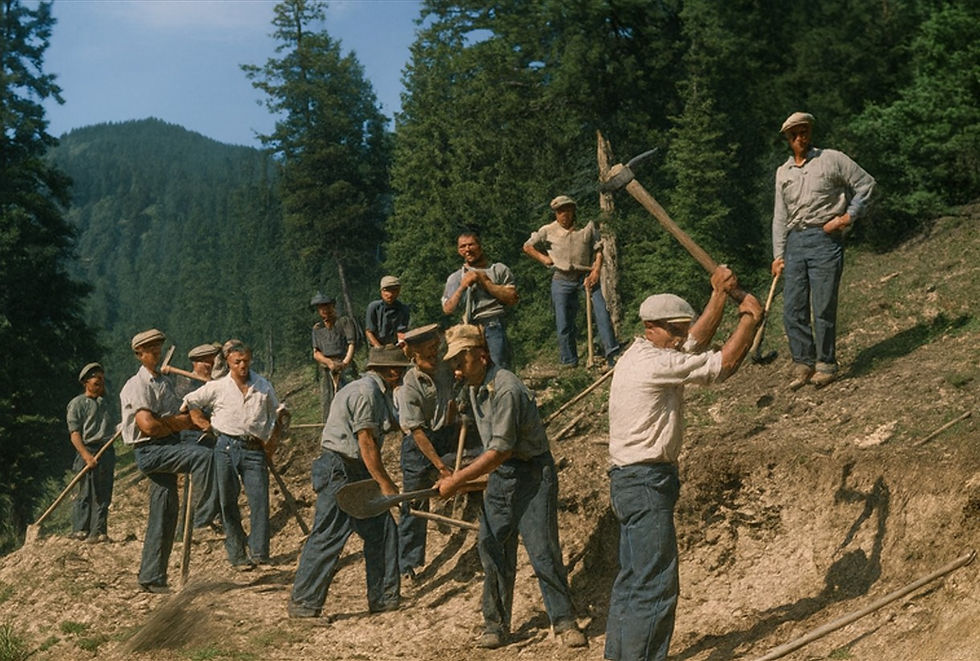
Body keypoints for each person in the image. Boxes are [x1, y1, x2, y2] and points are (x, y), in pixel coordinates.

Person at [604, 267, 761, 661]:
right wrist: (750, 318)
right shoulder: (655, 364)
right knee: (655, 584)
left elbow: (694, 340)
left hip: (629, 481)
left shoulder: (642, 353)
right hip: (645, 482)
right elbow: (722, 365)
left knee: (632, 581)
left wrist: (719, 295)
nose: (681, 340)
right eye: (674, 332)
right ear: (652, 328)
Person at [436, 324, 587, 650]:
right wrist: (459, 477)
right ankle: (496, 625)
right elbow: (493, 452)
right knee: (491, 546)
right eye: (454, 365)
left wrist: (457, 480)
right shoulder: (475, 387)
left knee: (543, 550)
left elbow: (501, 449)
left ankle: (564, 621)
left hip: (532, 474)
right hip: (503, 476)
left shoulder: (506, 389)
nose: (456, 370)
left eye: (461, 363)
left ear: (482, 355)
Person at [288, 345, 412, 619]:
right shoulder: (366, 393)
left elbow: (391, 426)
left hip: (355, 470)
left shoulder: (375, 392)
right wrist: (386, 484)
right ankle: (304, 607)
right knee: (328, 536)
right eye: (402, 370)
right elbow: (366, 443)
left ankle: (384, 599)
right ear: (391, 371)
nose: (403, 376)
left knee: (382, 531)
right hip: (341, 470)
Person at [771, 111, 876, 389]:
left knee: (823, 305)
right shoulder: (784, 172)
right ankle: (803, 362)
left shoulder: (831, 159)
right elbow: (780, 216)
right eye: (793, 134)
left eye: (804, 131)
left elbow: (866, 184)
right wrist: (778, 255)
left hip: (825, 239)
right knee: (792, 308)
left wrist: (845, 218)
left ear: (810, 133)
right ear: (787, 139)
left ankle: (826, 364)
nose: (799, 138)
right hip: (795, 241)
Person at [119, 329, 215, 593]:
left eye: (159, 350)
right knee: (203, 457)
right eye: (151, 351)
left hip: (168, 445)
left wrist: (190, 419)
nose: (157, 355)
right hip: (150, 451)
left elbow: (179, 415)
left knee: (164, 513)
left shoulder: (163, 382)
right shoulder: (136, 386)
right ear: (139, 354)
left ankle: (152, 577)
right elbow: (148, 427)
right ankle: (204, 518)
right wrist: (178, 423)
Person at [183, 342, 281, 570]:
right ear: (228, 362)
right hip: (225, 447)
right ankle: (237, 554)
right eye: (237, 362)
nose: (242, 366)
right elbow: (191, 401)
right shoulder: (218, 387)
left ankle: (259, 552)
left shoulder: (263, 386)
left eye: (246, 360)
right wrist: (201, 421)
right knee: (228, 501)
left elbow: (277, 414)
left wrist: (272, 441)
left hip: (254, 449)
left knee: (259, 500)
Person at [395, 323, 470, 581]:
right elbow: (417, 433)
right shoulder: (410, 385)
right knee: (414, 503)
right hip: (418, 445)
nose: (433, 354)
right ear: (414, 353)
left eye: (435, 348)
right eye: (427, 351)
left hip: (446, 436)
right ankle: (407, 563)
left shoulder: (445, 371)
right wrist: (440, 467)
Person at [524, 195, 620, 368]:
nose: (564, 215)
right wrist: (543, 258)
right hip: (562, 278)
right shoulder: (548, 230)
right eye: (560, 211)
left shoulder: (587, 226)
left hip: (586, 275)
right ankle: (569, 361)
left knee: (601, 312)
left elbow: (598, 250)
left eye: (567, 210)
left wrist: (596, 271)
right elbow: (527, 246)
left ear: (573, 210)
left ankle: (612, 353)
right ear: (555, 213)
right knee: (563, 322)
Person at [442, 231, 519, 369]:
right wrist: (462, 286)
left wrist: (485, 281)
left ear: (480, 246)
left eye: (471, 245)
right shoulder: (455, 278)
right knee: (471, 369)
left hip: (493, 324)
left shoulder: (498, 270)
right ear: (458, 251)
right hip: (469, 328)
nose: (467, 250)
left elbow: (512, 298)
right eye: (462, 246)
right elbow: (448, 309)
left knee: (499, 367)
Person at [66, 362, 115, 543]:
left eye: (102, 381)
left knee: (103, 493)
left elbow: (113, 425)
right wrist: (86, 455)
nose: (100, 384)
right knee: (84, 492)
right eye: (96, 381)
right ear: (86, 382)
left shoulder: (106, 403)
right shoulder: (77, 404)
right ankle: (80, 530)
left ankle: (99, 531)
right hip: (87, 450)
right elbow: (75, 434)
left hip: (106, 451)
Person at [311, 292, 356, 422]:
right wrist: (329, 363)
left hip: (345, 366)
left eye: (327, 306)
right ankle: (329, 430)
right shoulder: (317, 328)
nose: (324, 310)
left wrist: (345, 363)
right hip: (327, 369)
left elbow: (351, 344)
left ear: (332, 306)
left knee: (350, 397)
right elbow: (316, 353)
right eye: (321, 307)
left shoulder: (344, 322)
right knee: (328, 401)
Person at [365, 276, 411, 347]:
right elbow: (369, 332)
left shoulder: (403, 309)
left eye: (394, 290)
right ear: (381, 291)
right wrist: (379, 348)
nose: (390, 294)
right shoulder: (373, 307)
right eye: (387, 290)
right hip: (377, 347)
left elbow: (401, 331)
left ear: (398, 291)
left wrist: (401, 343)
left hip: (396, 347)